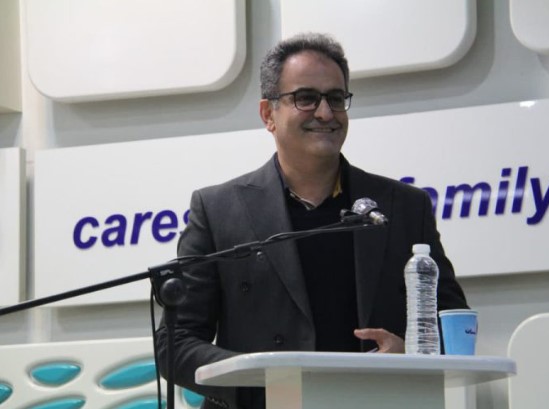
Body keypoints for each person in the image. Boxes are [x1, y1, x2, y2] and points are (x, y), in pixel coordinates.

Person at [156, 32, 468, 409]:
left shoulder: (403, 206)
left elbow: (454, 324)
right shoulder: (218, 209)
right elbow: (175, 343)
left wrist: (412, 355)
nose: (325, 113)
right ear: (268, 114)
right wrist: (258, 379)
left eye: (335, 98)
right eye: (306, 98)